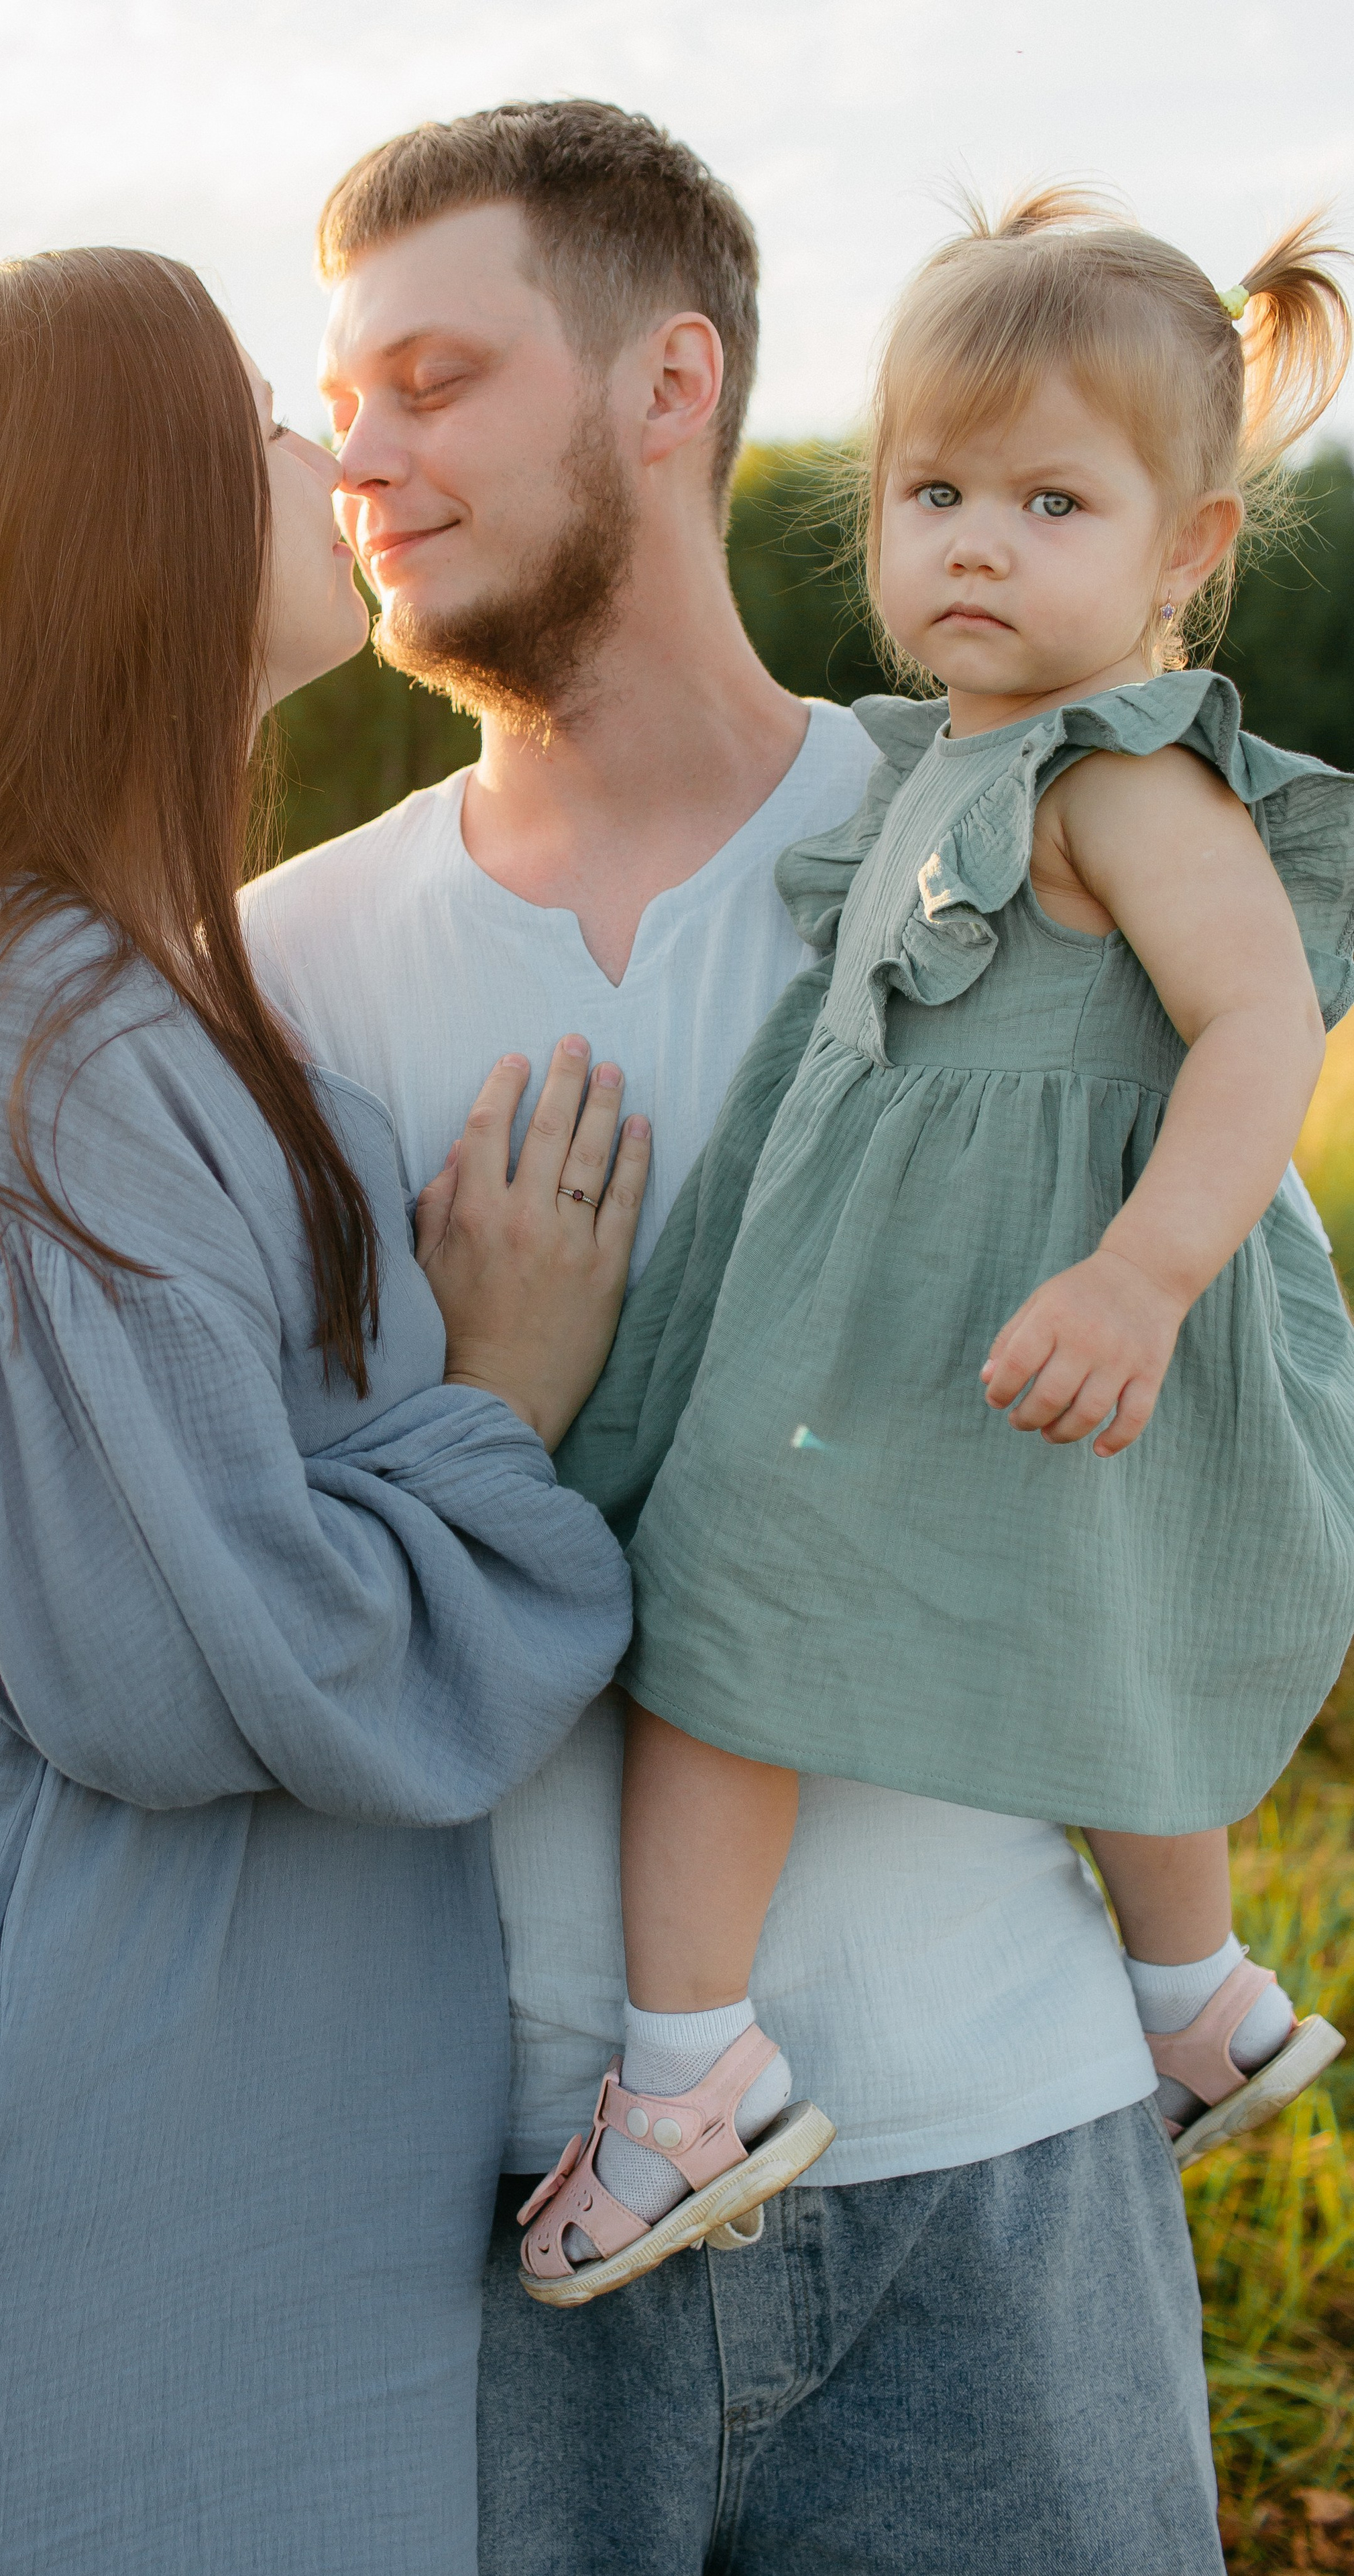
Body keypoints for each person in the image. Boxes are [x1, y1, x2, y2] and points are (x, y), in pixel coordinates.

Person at [0, 105, 1238, 2575]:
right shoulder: (254, 976)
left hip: (994, 2154)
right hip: (451, 2223)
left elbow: (1239, 1426)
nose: (359, 454)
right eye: (338, 396)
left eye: (434, 377)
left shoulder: (1024, 852)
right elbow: (111, 1454)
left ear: (671, 387)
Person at [0, 244, 648, 2576]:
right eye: (263, 421)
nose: (330, 456)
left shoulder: (35, 986)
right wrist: (500, 1395)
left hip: (44, 2105)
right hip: (30, 2189)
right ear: (127, 524)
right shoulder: (41, 1043)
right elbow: (220, 1655)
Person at [518, 188, 1354, 2305]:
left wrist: (1149, 1271)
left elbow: (1263, 1024)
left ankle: (687, 2082)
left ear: (1189, 551)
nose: (976, 539)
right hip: (912, 1315)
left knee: (714, 1649)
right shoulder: (934, 765)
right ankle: (1201, 2003)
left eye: (1054, 499)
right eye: (935, 490)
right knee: (1101, 1634)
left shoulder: (1130, 780)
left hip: (1053, 1304)